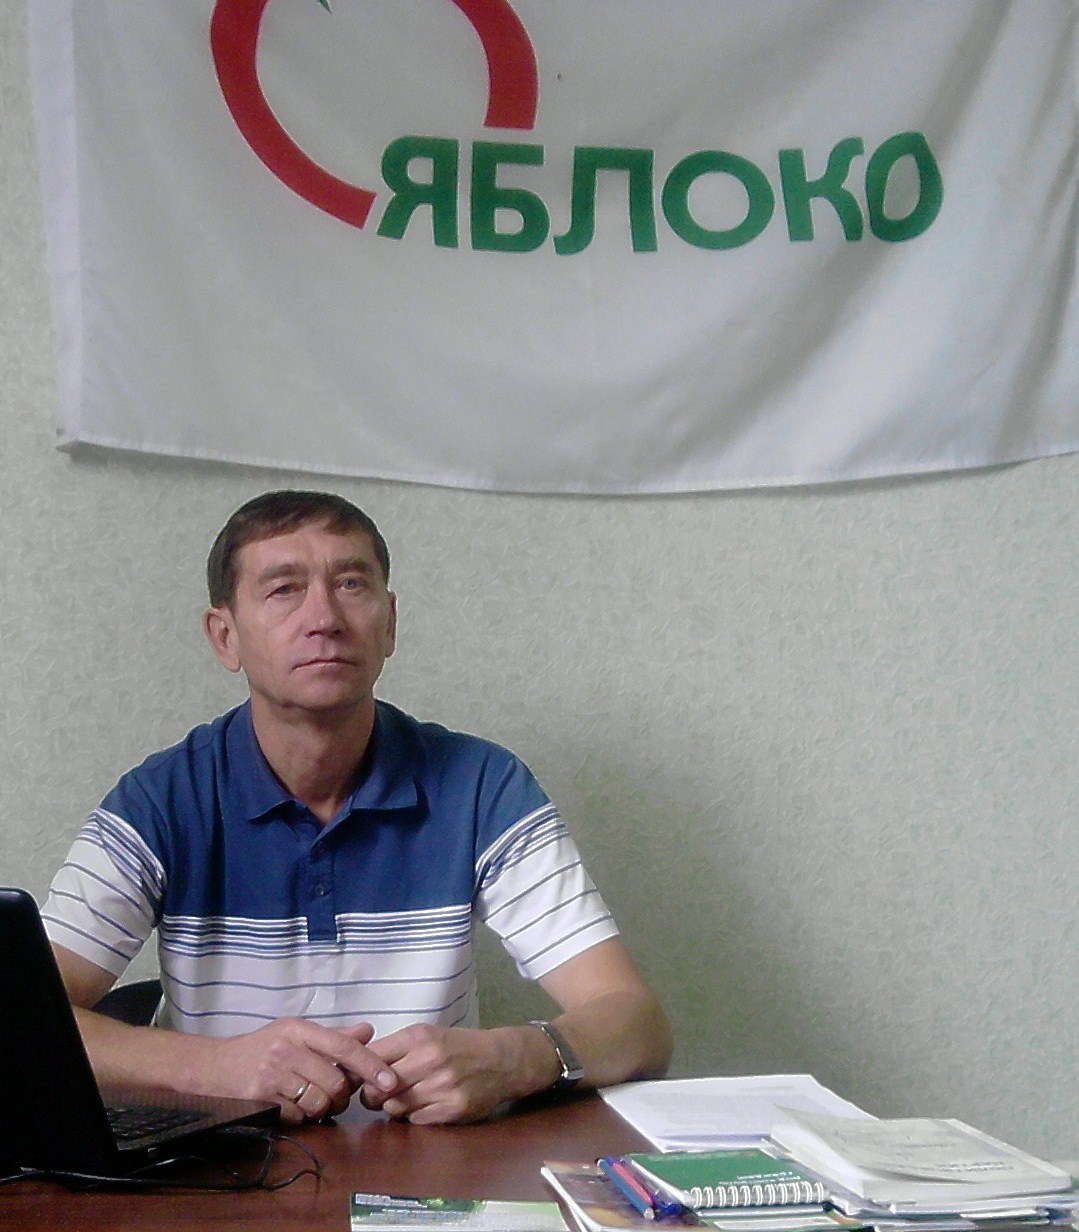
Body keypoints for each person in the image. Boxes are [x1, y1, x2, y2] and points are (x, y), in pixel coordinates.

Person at [44, 490, 673, 1125]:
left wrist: (518, 1057)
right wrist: (215, 1067)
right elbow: (14, 1023)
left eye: (351, 584)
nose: (325, 617)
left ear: (390, 623)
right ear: (225, 636)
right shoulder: (161, 801)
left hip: (433, 1170)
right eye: (284, 589)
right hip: (226, 1165)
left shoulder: (482, 786)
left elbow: (638, 1025)